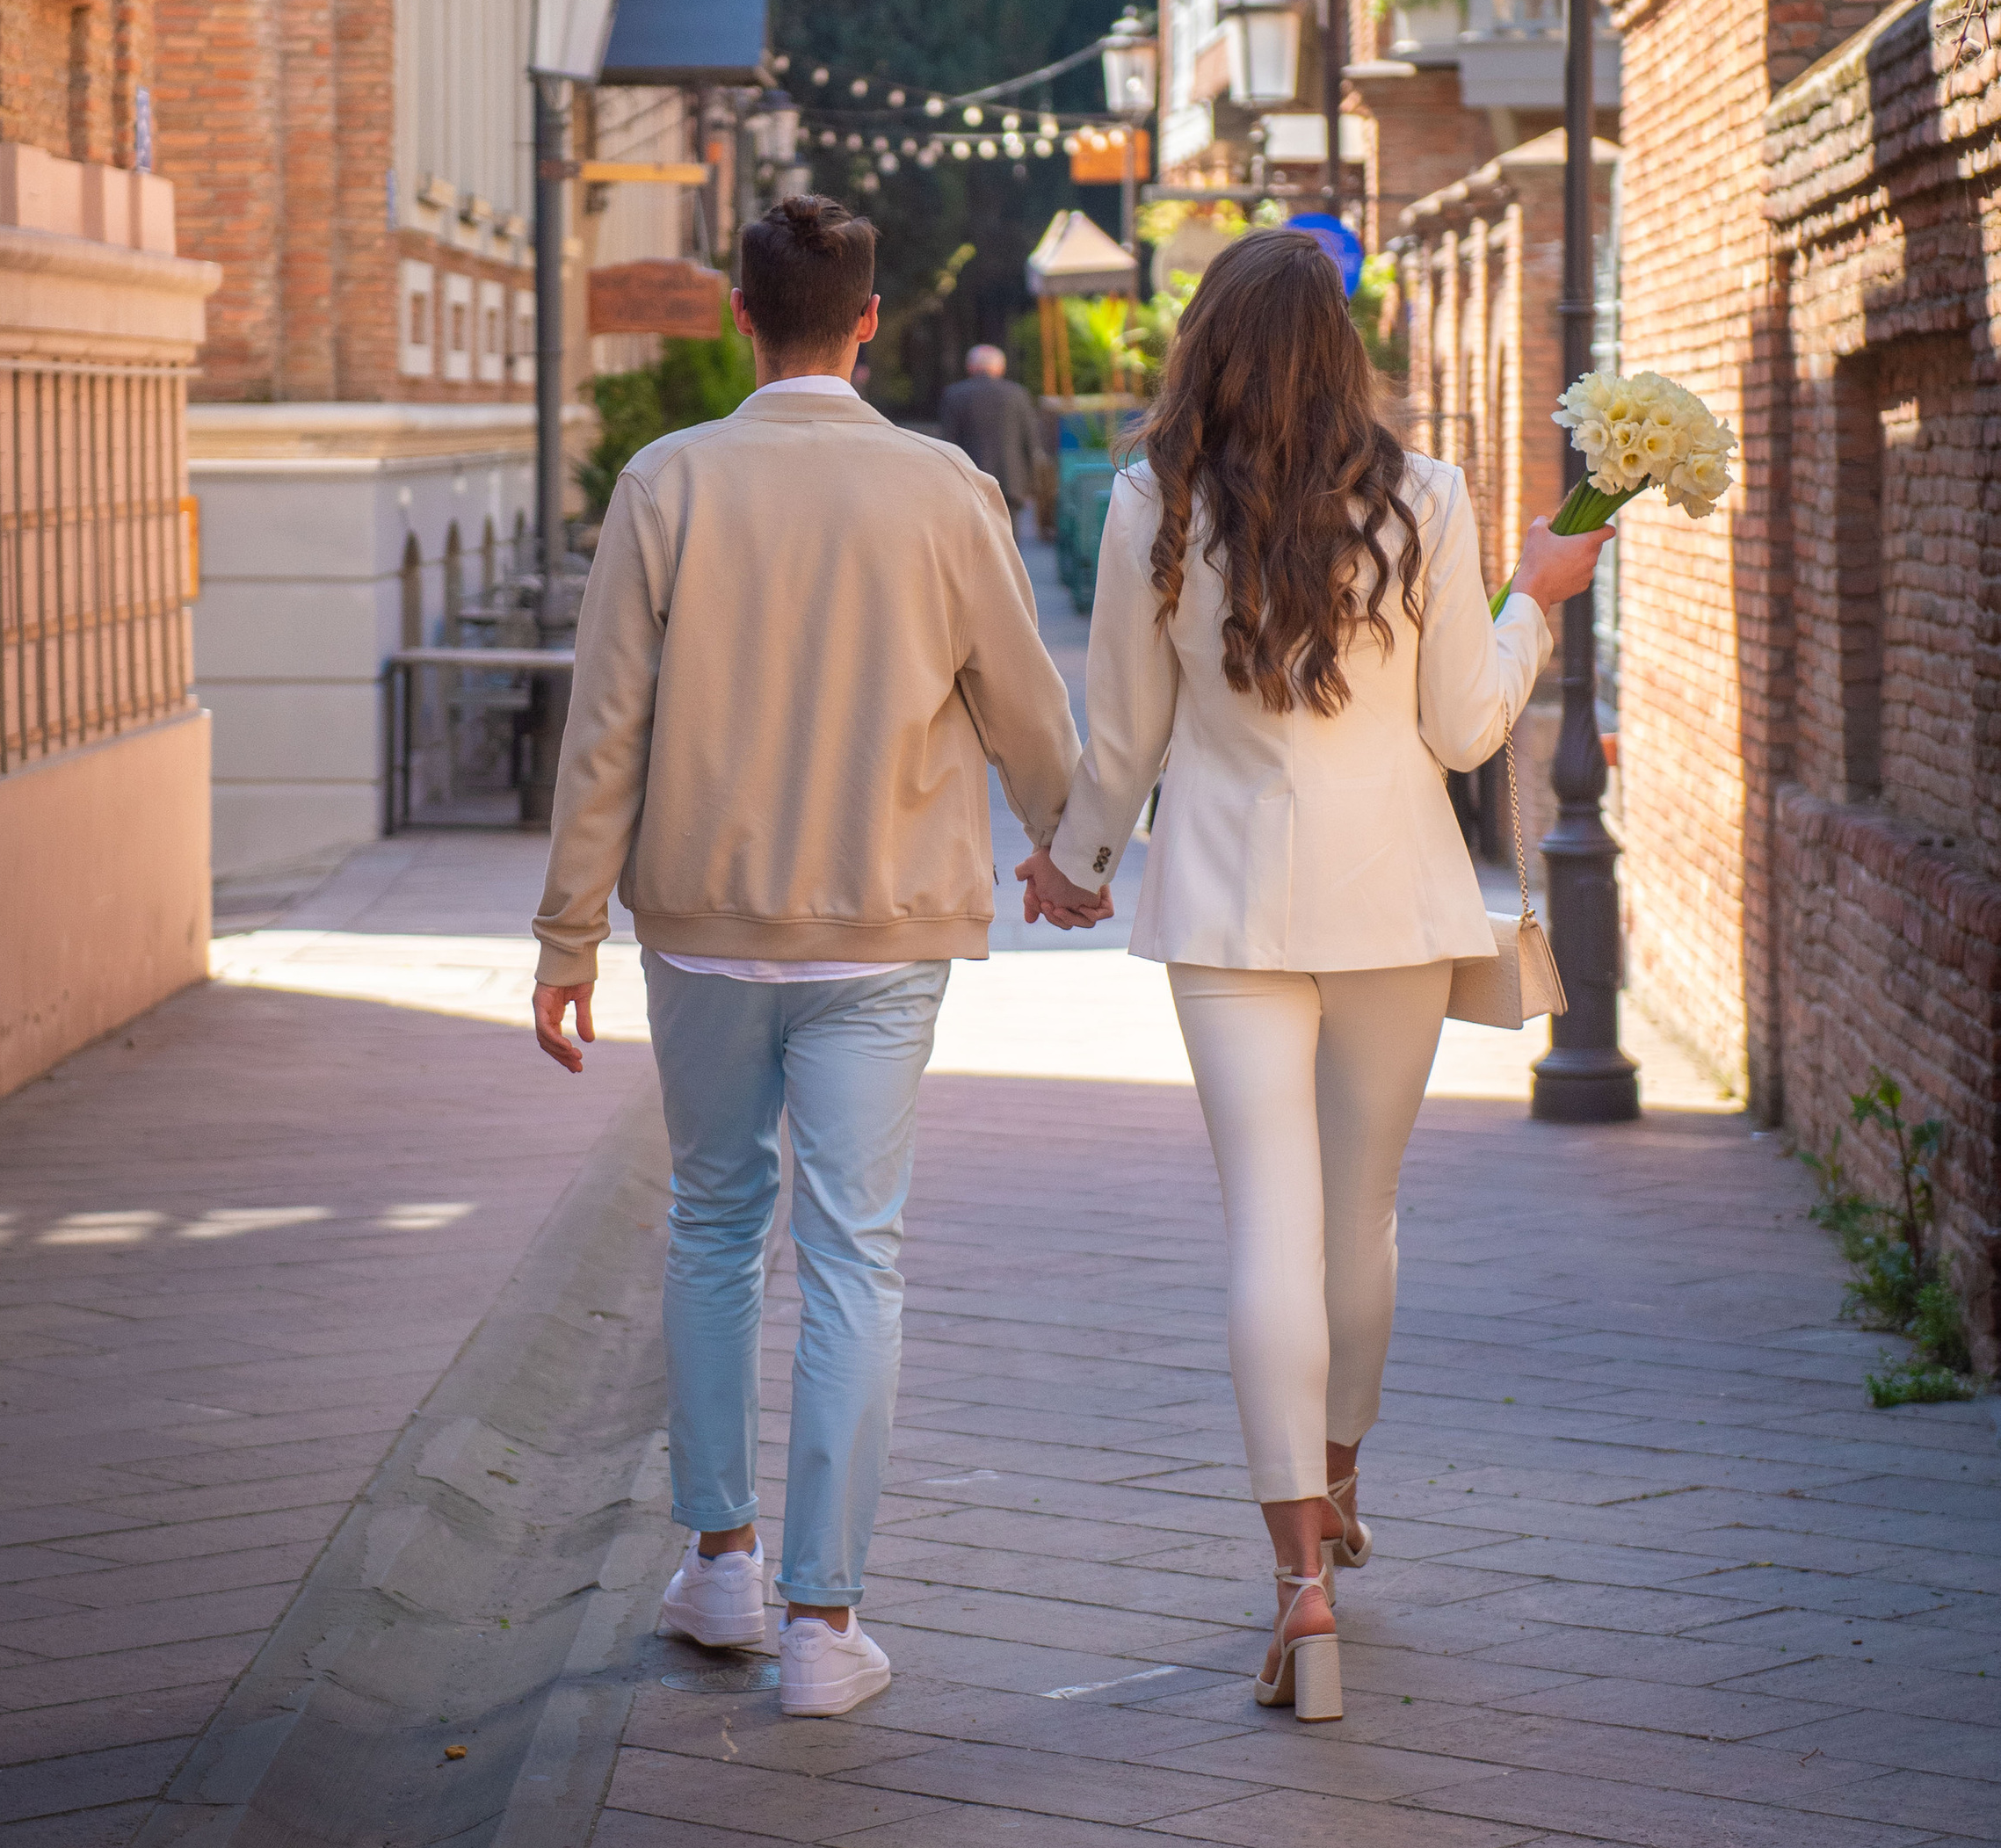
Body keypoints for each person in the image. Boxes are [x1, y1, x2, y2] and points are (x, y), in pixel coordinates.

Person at [1018, 228, 1607, 1723]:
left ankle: (1300, 1585)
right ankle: (1338, 1476)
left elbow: (1123, 737)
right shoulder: (1426, 496)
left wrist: (1076, 864)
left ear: (1204, 342)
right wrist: (1540, 592)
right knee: (1363, 1216)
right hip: (1395, 907)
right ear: (1341, 350)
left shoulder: (1154, 499)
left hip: (1223, 909)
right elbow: (1471, 728)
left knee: (1266, 1227)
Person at [532, 197, 1095, 1718]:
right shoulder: (940, 486)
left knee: (715, 1224)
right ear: (867, 320)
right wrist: (1070, 847)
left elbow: (606, 733)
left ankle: (719, 1560)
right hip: (882, 922)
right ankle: (824, 1625)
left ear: (738, 315)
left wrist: (567, 928)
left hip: (706, 926)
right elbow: (1027, 702)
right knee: (856, 1249)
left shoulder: (668, 481)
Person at [937, 342, 1045, 530]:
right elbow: (1030, 440)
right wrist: (1030, 483)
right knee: (1009, 543)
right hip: (1010, 481)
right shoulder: (1018, 394)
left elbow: (948, 442)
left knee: (973, 543)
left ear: (970, 367)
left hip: (969, 480)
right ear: (1000, 367)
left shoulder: (954, 395)